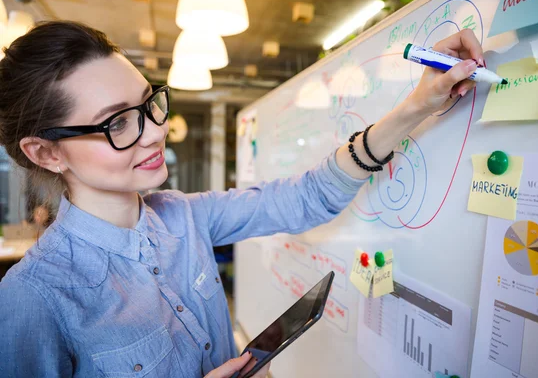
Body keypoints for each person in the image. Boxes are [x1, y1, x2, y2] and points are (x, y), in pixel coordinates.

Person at [0, 21, 483, 378]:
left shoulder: (184, 217)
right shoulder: (33, 296)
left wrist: (417, 105)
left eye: (149, 104)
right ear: (46, 152)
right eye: (117, 123)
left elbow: (307, 197)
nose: (153, 134)